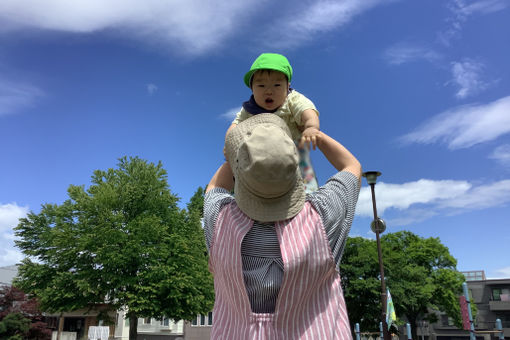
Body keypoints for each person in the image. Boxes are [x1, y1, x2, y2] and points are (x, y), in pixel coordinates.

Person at [205, 114, 361, 339]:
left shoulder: (219, 220)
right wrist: (315, 134)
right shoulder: (323, 216)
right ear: (293, 162)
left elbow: (215, 187)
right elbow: (352, 167)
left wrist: (236, 158)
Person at [225, 52, 321, 192]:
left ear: (287, 87)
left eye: (277, 85)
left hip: (292, 150)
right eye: (261, 86)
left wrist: (311, 127)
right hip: (261, 153)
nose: (269, 91)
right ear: (252, 88)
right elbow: (235, 126)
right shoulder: (249, 108)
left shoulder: (292, 99)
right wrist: (229, 143)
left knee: (304, 178)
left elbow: (307, 110)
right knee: (246, 172)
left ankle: (308, 196)